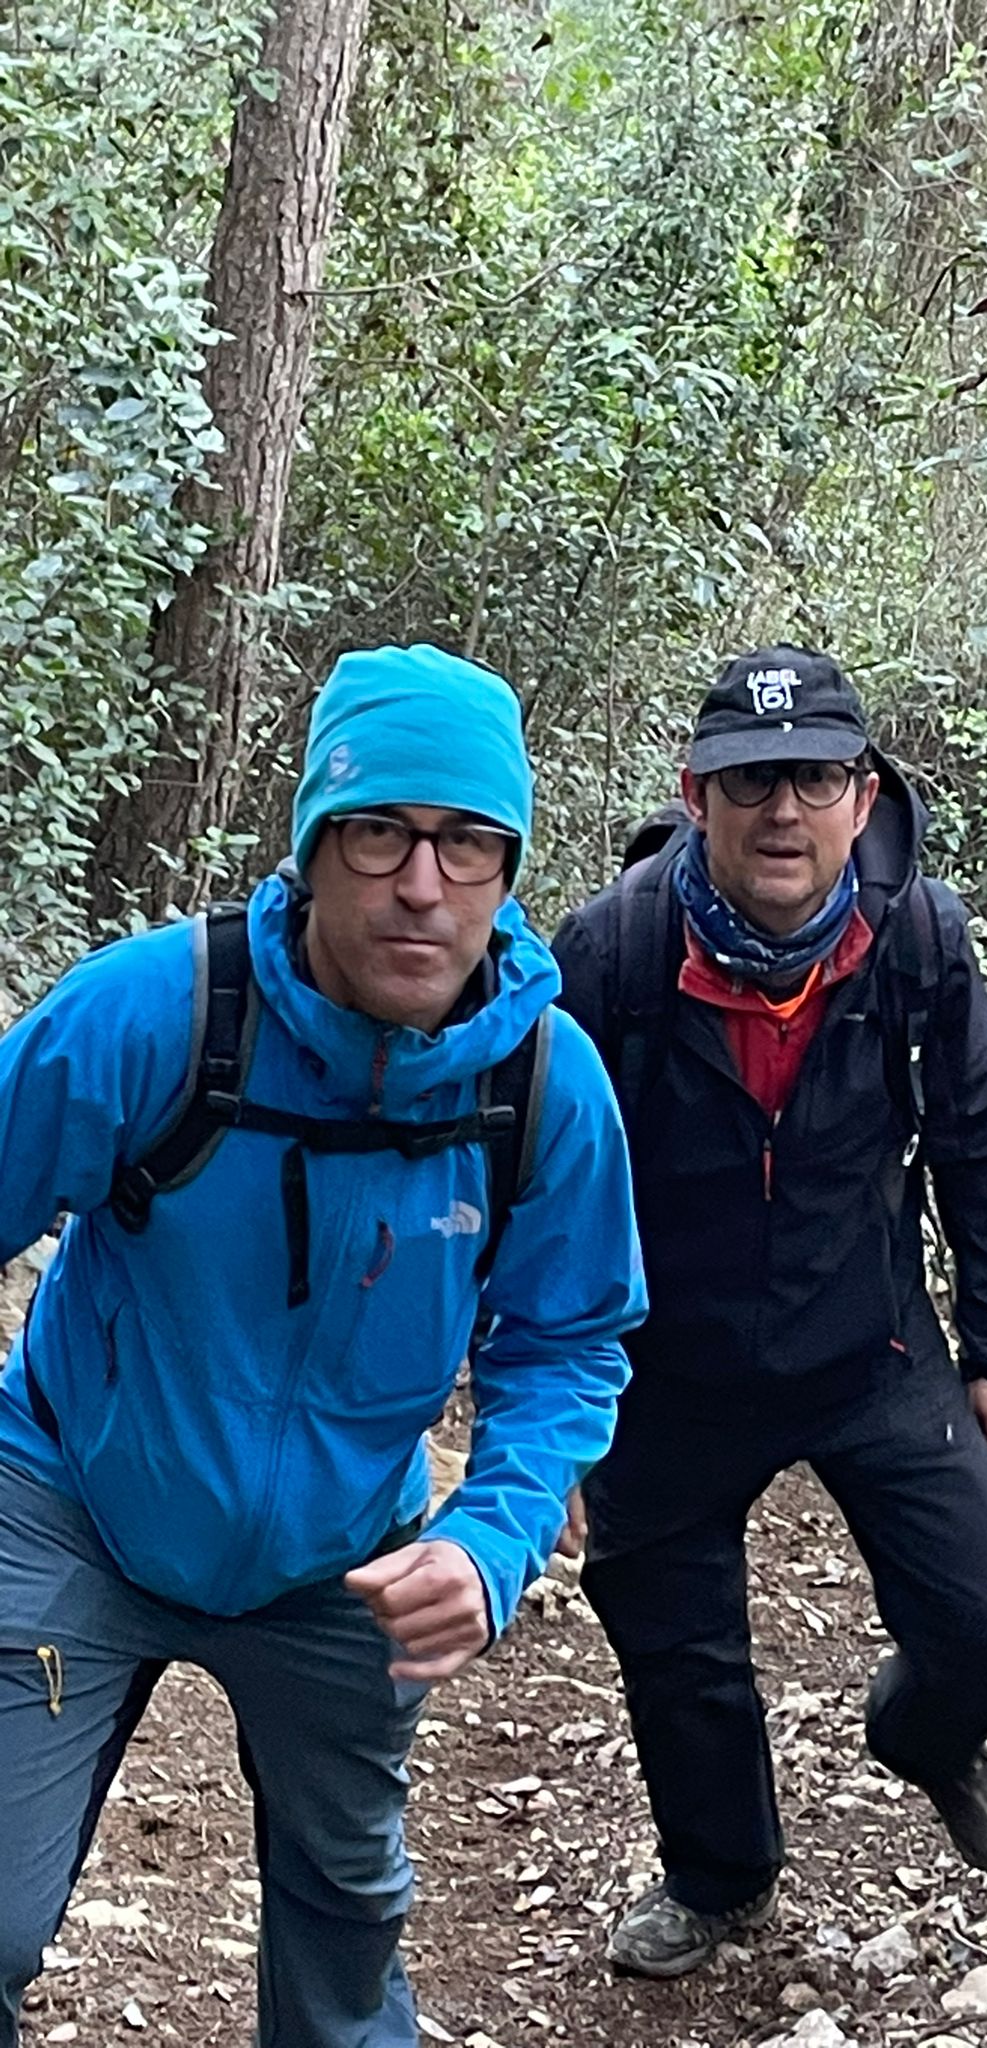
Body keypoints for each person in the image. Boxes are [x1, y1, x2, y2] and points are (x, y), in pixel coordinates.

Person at [0, 644, 646, 2047]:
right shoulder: (156, 1015)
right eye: (379, 833)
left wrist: (493, 1538)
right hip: (73, 1500)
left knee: (347, 1952)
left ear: (510, 868)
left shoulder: (545, 1085)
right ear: (311, 847)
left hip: (345, 1560)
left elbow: (569, 1339)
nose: (422, 883)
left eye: (468, 842)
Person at [552, 645, 987, 1980]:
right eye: (751, 779)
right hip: (667, 1361)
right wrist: (543, 1407)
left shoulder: (919, 940)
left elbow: (979, 1140)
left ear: (862, 794)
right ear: (696, 794)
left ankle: (929, 1739)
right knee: (676, 1648)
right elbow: (540, 1183)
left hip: (867, 1341)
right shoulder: (612, 953)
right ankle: (719, 1878)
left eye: (816, 778)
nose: (785, 809)